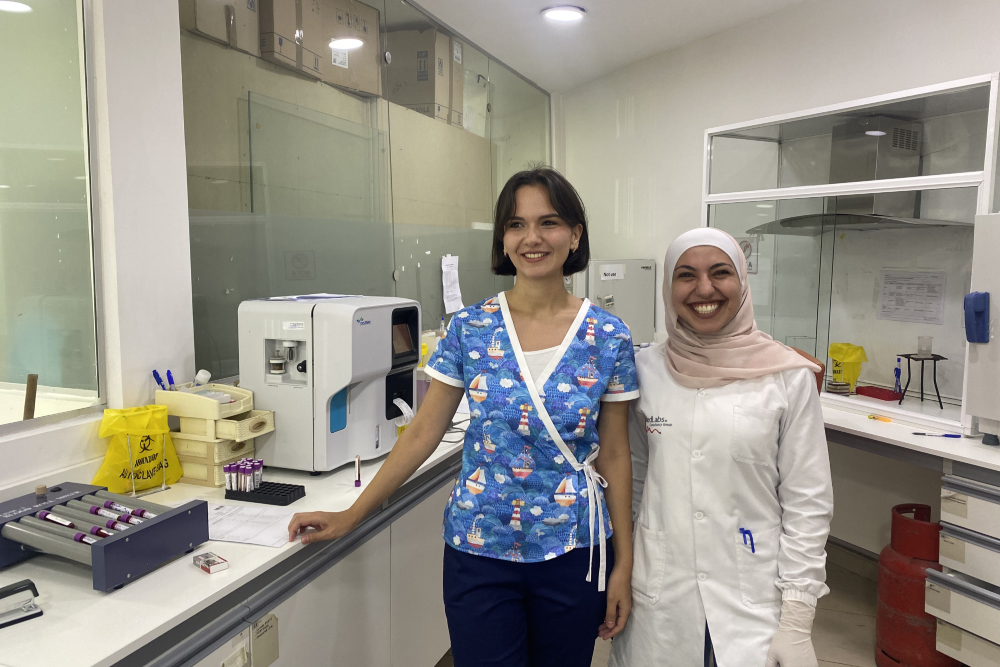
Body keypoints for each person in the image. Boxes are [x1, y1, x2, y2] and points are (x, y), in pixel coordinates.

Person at [288, 167, 639, 667]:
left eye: (549, 222)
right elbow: (423, 433)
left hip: (574, 549)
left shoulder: (608, 336)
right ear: (503, 238)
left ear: (575, 235)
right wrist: (352, 514)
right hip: (480, 551)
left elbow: (617, 455)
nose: (532, 238)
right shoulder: (471, 328)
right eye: (516, 225)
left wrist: (623, 564)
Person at [610, 227, 833, 667]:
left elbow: (808, 501)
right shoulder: (644, 370)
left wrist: (797, 617)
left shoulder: (788, 377)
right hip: (661, 591)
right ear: (669, 287)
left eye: (720, 272)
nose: (704, 288)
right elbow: (633, 483)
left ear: (742, 282)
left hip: (753, 593)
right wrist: (623, 568)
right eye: (686, 275)